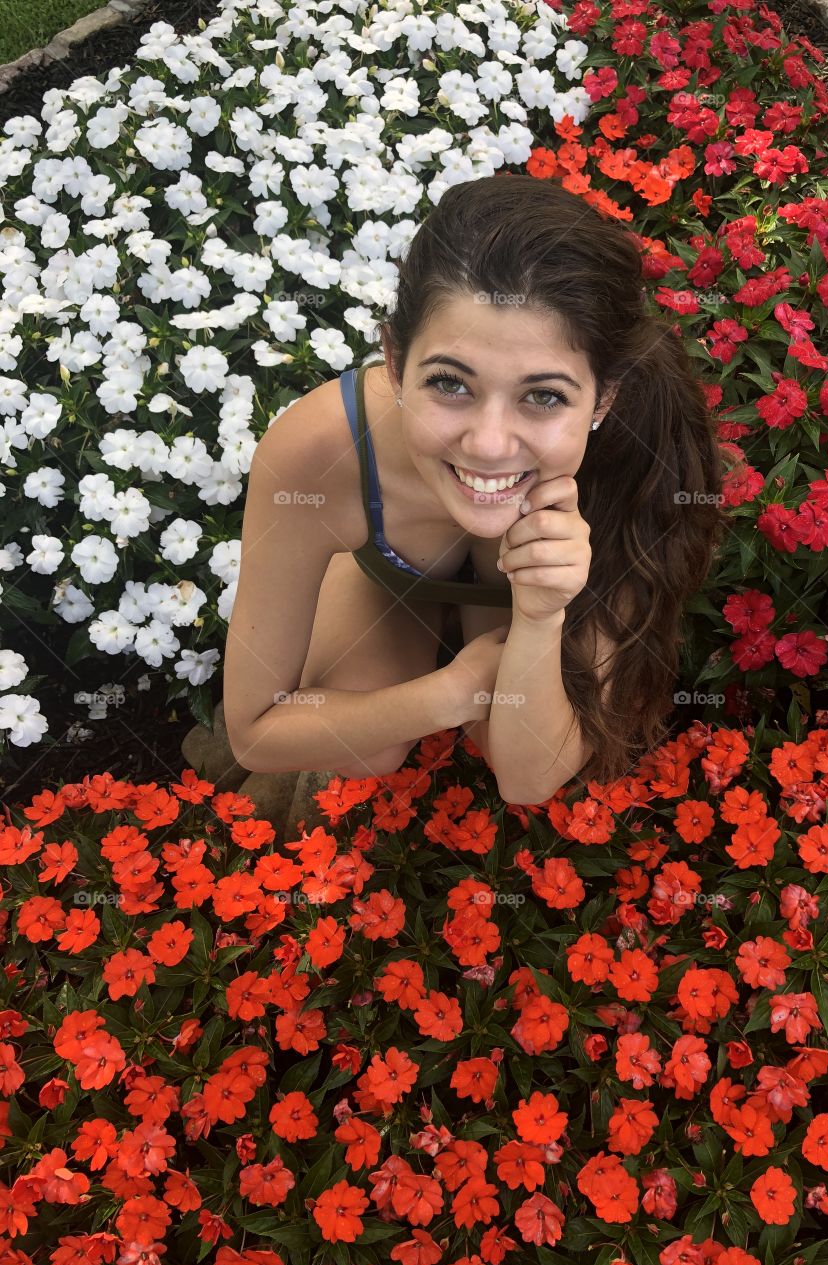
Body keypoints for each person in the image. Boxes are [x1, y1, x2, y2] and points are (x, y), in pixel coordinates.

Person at [193, 173, 728, 833]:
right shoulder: (318, 453)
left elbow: (528, 777)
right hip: (396, 582)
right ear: (394, 360)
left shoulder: (620, 463)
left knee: (500, 732)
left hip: (516, 593)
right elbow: (257, 732)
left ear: (605, 398)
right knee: (372, 740)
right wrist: (451, 693)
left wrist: (538, 617)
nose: (490, 444)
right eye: (450, 383)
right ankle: (400, 611)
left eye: (545, 395)